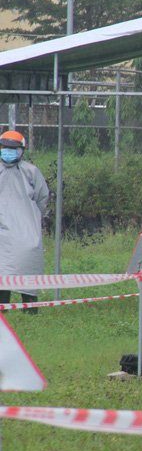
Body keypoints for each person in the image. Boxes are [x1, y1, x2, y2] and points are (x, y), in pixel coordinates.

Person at [0, 130, 49, 314]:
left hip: (27, 232)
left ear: (21, 150)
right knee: (2, 274)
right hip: (3, 233)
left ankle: (30, 312)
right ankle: (2, 314)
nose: (8, 151)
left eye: (13, 148)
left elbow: (42, 198)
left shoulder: (31, 172)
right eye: (5, 147)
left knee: (27, 273)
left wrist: (31, 218)